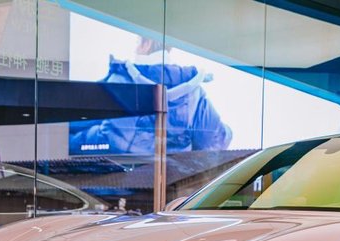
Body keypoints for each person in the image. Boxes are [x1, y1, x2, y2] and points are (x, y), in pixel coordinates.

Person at [69, 37, 232, 155]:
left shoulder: (121, 82)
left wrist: (69, 142)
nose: (135, 50)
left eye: (137, 43)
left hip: (120, 184)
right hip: (174, 184)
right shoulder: (194, 92)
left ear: (147, 44)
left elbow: (112, 142)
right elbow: (213, 141)